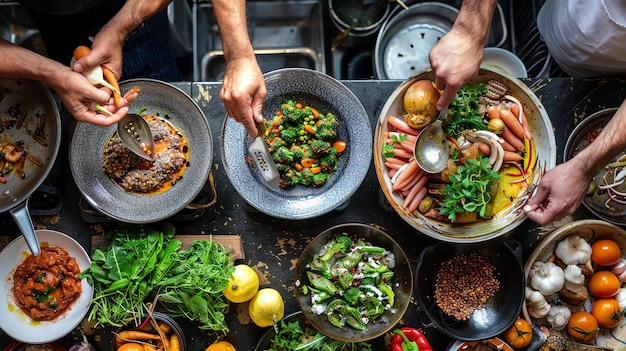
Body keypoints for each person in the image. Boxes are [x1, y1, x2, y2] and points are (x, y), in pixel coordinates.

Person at [428, 0, 626, 225]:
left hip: (610, 77)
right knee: (529, 61)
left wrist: (585, 167)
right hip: (550, 28)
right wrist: (469, 29)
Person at [1, 0, 267, 136]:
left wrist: (239, 55)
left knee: (163, 89)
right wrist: (54, 74)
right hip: (51, 18)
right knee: (88, 98)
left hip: (136, 7)